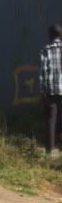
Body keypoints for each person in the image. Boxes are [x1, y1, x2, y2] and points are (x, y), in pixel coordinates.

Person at [39, 23, 62, 155]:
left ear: (50, 35)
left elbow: (43, 72)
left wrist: (42, 91)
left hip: (50, 90)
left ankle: (50, 149)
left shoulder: (46, 49)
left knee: (50, 118)